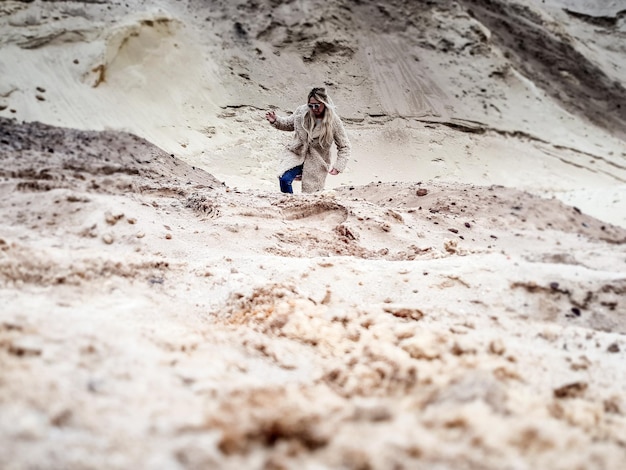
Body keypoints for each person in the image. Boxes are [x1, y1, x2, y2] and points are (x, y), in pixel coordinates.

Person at [265, 87, 351, 193]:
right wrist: (276, 120)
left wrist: (339, 165)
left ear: (324, 103)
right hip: (297, 154)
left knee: (311, 194)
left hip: (317, 161)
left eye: (317, 105)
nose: (314, 108)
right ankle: (290, 204)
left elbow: (344, 146)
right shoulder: (301, 112)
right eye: (310, 105)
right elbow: (288, 124)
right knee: (284, 178)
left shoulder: (334, 121)